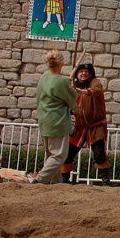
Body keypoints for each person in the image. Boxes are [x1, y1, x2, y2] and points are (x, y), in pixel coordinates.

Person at [61, 63, 112, 186]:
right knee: (67, 153)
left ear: (90, 74)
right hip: (79, 126)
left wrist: (78, 89)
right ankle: (64, 179)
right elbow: (67, 104)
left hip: (96, 126)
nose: (83, 73)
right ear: (76, 75)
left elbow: (97, 90)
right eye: (80, 72)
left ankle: (106, 182)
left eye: (86, 71)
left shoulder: (95, 82)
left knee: (99, 153)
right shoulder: (72, 88)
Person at [35, 50, 77, 184]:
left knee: (50, 156)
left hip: (44, 121)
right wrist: (72, 87)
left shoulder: (44, 76)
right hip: (57, 122)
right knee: (59, 156)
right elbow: (73, 103)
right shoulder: (62, 81)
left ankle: (56, 183)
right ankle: (40, 179)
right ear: (61, 63)